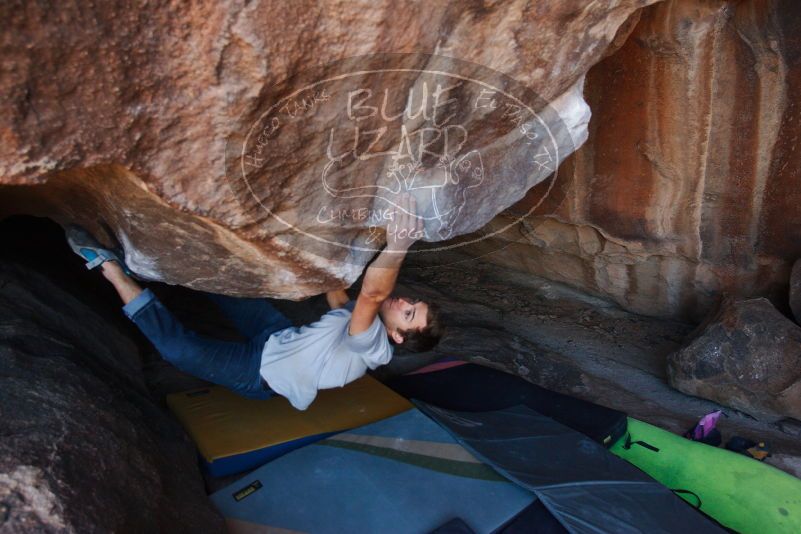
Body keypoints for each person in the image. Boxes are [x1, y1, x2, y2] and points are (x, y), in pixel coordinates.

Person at [66, 194, 442, 410]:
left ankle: (109, 267)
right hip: (277, 336)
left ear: (397, 336)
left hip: (257, 373)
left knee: (180, 350)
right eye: (414, 302)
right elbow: (339, 296)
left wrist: (399, 242)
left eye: (410, 313)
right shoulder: (367, 325)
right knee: (218, 281)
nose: (405, 301)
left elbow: (371, 294)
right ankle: (142, 253)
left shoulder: (374, 345)